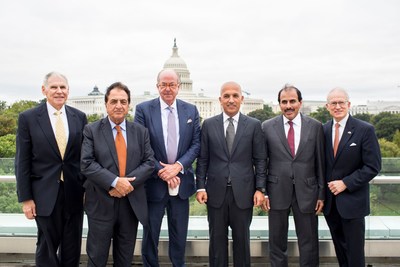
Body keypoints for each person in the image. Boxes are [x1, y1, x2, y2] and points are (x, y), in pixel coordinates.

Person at [15, 72, 87, 267]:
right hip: (43, 194)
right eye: (54, 87)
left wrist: (86, 189)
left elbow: (84, 158)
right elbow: (22, 161)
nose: (59, 91)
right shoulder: (28, 118)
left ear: (68, 91)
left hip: (74, 193)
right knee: (47, 247)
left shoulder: (79, 117)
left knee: (72, 248)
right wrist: (26, 198)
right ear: (44, 90)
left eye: (63, 87)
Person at [81, 82, 155, 267]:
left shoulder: (140, 131)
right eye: (114, 101)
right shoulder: (92, 130)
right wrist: (114, 182)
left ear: (129, 104)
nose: (119, 105)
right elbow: (87, 163)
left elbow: (149, 163)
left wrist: (125, 185)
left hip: (130, 205)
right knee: (96, 258)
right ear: (106, 104)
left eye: (123, 101)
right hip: (101, 203)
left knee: (124, 259)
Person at [196, 81, 266, 267]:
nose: (231, 100)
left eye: (235, 96)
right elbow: (203, 159)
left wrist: (260, 189)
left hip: (243, 193)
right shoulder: (209, 125)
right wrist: (200, 186)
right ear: (220, 100)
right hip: (215, 193)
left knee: (242, 242)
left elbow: (260, 160)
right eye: (226, 96)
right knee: (216, 243)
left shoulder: (253, 125)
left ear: (242, 99)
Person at [135, 69, 201, 267]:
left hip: (182, 184)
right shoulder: (143, 109)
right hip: (154, 184)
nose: (167, 88)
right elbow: (141, 145)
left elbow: (196, 144)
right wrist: (163, 171)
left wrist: (178, 166)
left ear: (179, 87)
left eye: (172, 84)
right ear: (157, 86)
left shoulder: (191, 110)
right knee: (150, 236)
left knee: (179, 236)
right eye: (163, 84)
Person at [261, 84, 325, 267]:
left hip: (308, 192)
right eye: (284, 102)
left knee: (309, 242)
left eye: (292, 101)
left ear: (300, 102)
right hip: (275, 192)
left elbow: (320, 162)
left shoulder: (315, 126)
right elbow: (261, 162)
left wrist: (321, 193)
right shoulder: (266, 127)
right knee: (276, 242)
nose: (288, 106)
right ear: (279, 104)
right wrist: (263, 191)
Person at [323, 87, 381, 267]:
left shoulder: (365, 130)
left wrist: (346, 183)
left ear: (349, 105)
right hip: (331, 205)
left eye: (341, 102)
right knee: (340, 252)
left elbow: (373, 166)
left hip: (353, 203)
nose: (338, 106)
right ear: (327, 106)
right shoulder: (323, 130)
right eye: (334, 103)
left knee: (355, 255)